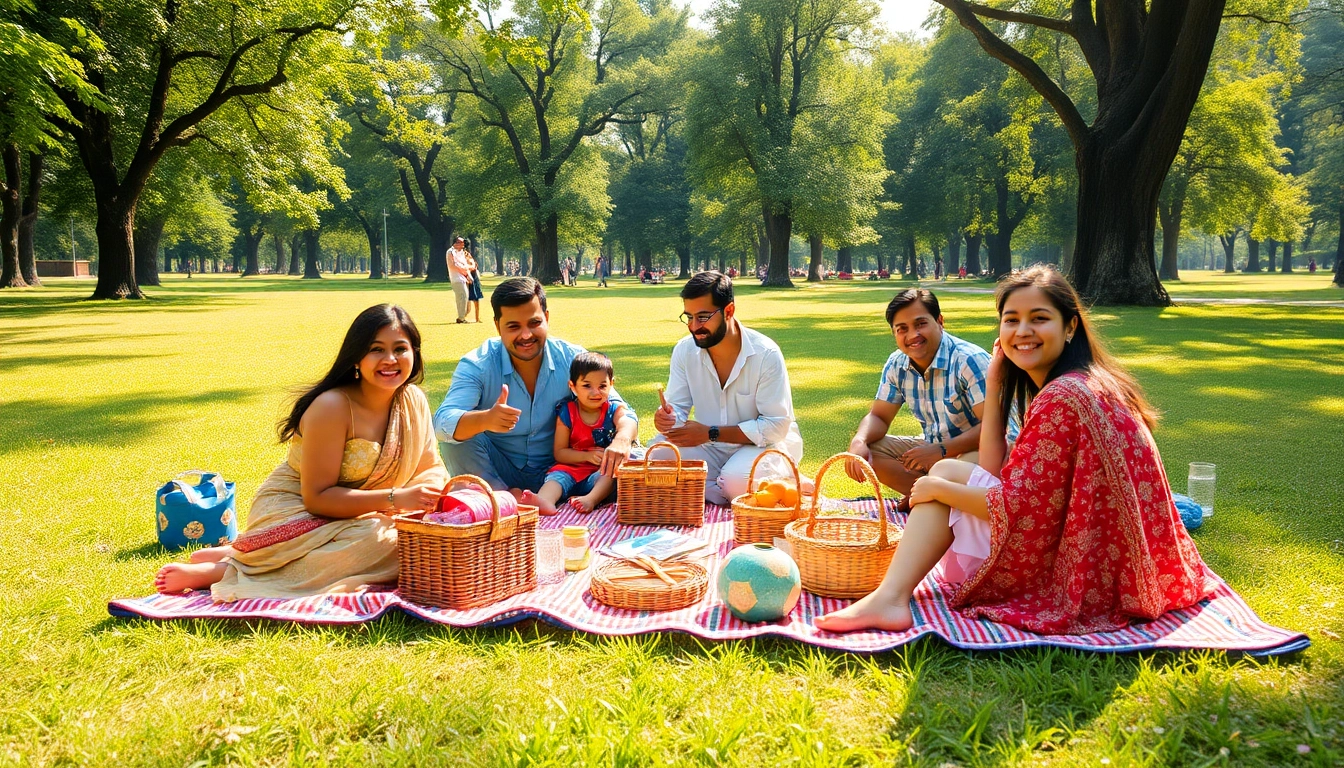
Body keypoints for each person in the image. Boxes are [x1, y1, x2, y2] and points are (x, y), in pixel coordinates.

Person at [816, 265, 1214, 635]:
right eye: (1012, 320)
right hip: (1102, 546)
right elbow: (995, 469)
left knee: (942, 480)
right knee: (943, 476)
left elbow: (1021, 508)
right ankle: (894, 588)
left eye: (1039, 318)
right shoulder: (1080, 383)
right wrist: (996, 380)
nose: (1023, 330)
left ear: (1070, 326)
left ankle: (890, 598)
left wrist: (938, 490)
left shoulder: (1063, 397)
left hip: (1086, 561)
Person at [154, 305, 448, 600]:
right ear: (357, 356)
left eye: (400, 349)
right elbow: (317, 498)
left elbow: (429, 467)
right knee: (385, 543)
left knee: (425, 538)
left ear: (415, 354)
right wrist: (395, 499)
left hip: (373, 512)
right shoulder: (332, 407)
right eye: (376, 349)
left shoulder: (413, 401)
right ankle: (228, 570)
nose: (390, 360)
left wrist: (427, 501)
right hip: (297, 510)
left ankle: (248, 552)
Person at [435, 278, 639, 499]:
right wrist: (485, 419)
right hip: (499, 473)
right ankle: (501, 499)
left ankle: (579, 496)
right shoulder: (478, 364)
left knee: (637, 460)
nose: (526, 335)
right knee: (454, 439)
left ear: (547, 318)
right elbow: (443, 422)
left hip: (565, 471)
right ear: (497, 326)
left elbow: (620, 408)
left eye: (534, 323)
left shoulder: (573, 358)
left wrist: (623, 438)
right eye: (514, 326)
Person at [653, 271, 804, 505]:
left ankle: (729, 484)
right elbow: (678, 410)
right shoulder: (684, 351)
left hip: (762, 446)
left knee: (736, 482)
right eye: (688, 317)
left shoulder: (766, 354)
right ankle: (747, 487)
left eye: (703, 317)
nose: (694, 327)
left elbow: (776, 427)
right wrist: (667, 418)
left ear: (729, 311)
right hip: (707, 447)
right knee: (656, 456)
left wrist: (710, 432)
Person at [847, 289, 1007, 500]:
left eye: (920, 324)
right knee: (871, 451)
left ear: (939, 321)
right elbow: (879, 416)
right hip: (934, 450)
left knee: (955, 468)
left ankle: (933, 499)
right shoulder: (897, 364)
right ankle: (929, 497)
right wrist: (859, 441)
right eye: (902, 329)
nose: (913, 335)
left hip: (980, 453)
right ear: (894, 333)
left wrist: (941, 450)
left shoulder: (968, 360)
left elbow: (994, 428)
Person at [521, 352, 627, 515]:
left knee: (610, 472)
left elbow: (625, 422)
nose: (595, 392)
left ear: (611, 385)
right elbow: (560, 453)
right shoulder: (567, 412)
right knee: (556, 478)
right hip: (571, 468)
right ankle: (544, 500)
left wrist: (621, 438)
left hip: (598, 473)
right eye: (587, 386)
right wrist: (586, 456)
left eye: (602, 386)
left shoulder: (612, 410)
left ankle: (591, 499)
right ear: (573, 386)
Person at [448, 237, 473, 324]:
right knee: (462, 297)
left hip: (464, 278)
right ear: (455, 243)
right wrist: (465, 274)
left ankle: (462, 316)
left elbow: (465, 265)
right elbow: (453, 265)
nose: (463, 245)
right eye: (461, 243)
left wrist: (468, 275)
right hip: (457, 278)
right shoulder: (450, 252)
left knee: (464, 297)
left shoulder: (461, 253)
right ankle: (461, 318)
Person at [465, 241, 484, 323]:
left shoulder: (469, 255)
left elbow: (474, 265)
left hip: (474, 277)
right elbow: (467, 266)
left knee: (476, 299)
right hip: (469, 278)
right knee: (467, 300)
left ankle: (477, 318)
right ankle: (463, 317)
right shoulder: (463, 255)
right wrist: (472, 266)